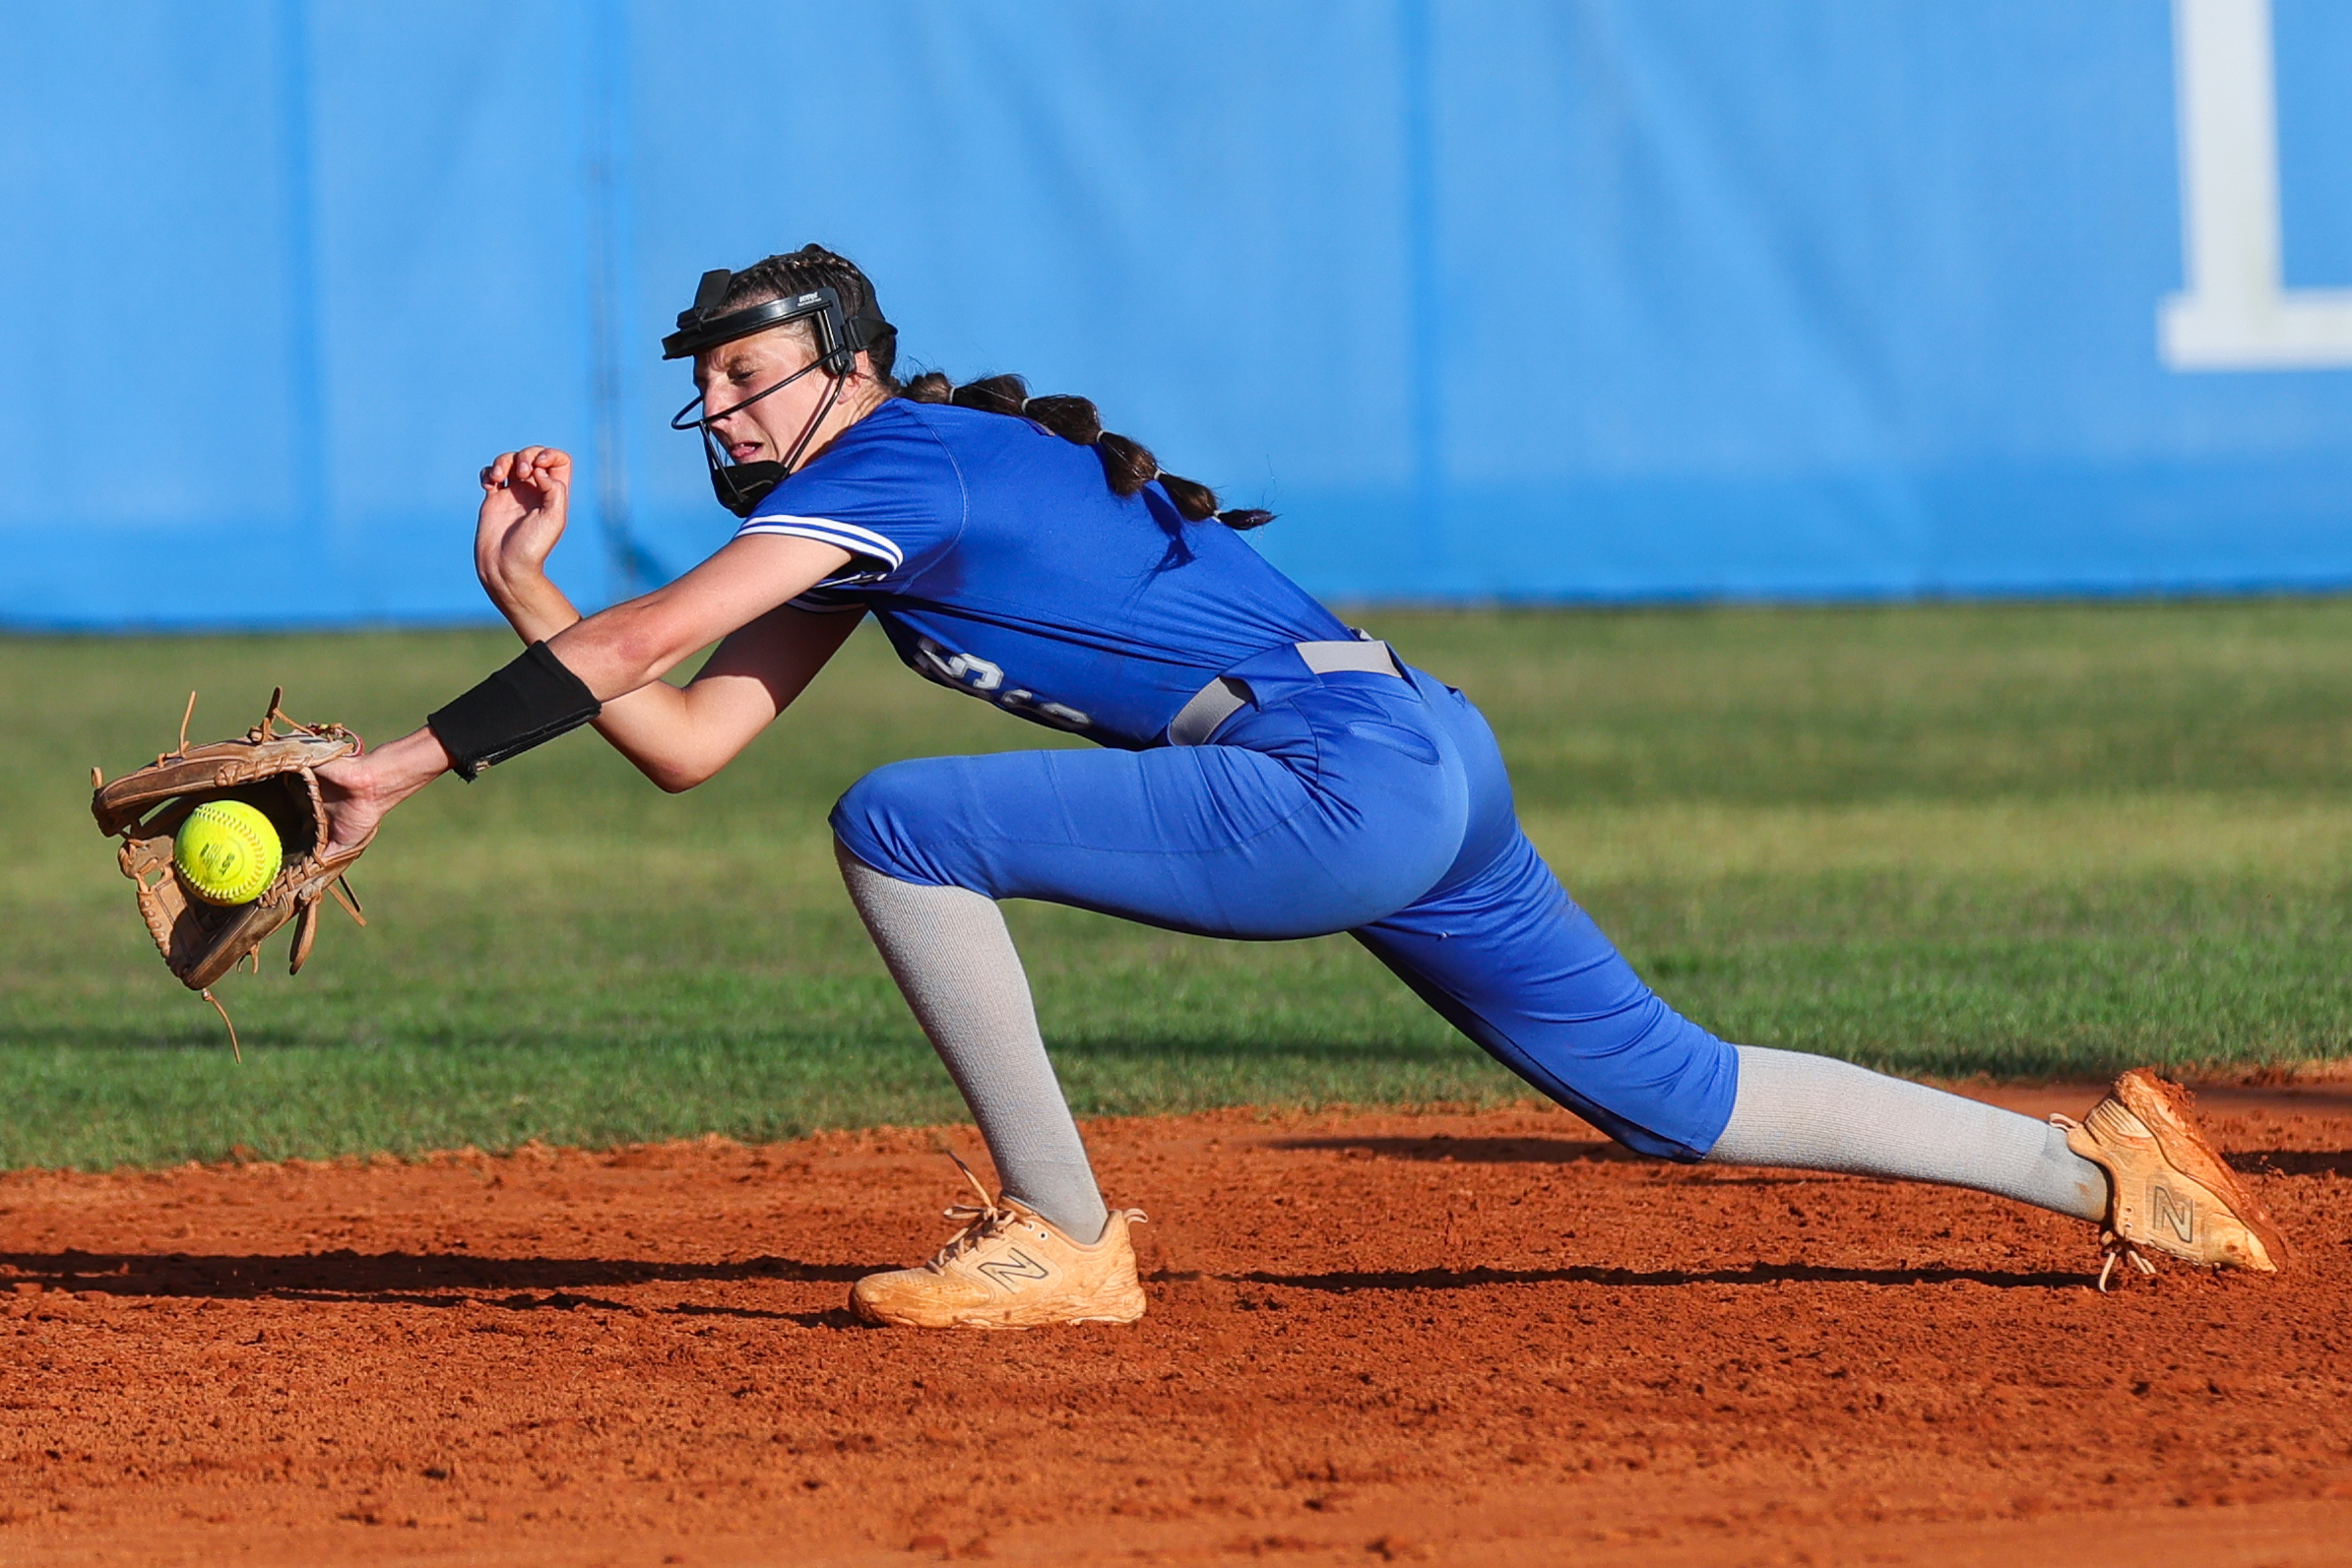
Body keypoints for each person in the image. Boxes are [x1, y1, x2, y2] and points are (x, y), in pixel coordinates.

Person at [316, 244, 2286, 1329]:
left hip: (1336, 779)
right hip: (1427, 752)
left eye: (759, 379)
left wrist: (399, 765)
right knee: (1669, 1094)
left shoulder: (895, 462)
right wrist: (514, 580)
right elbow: (687, 738)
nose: (729, 411)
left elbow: (655, 650)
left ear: (854, 369)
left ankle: (1062, 1236)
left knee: (899, 817)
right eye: (712, 386)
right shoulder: (881, 507)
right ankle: (2101, 1168)